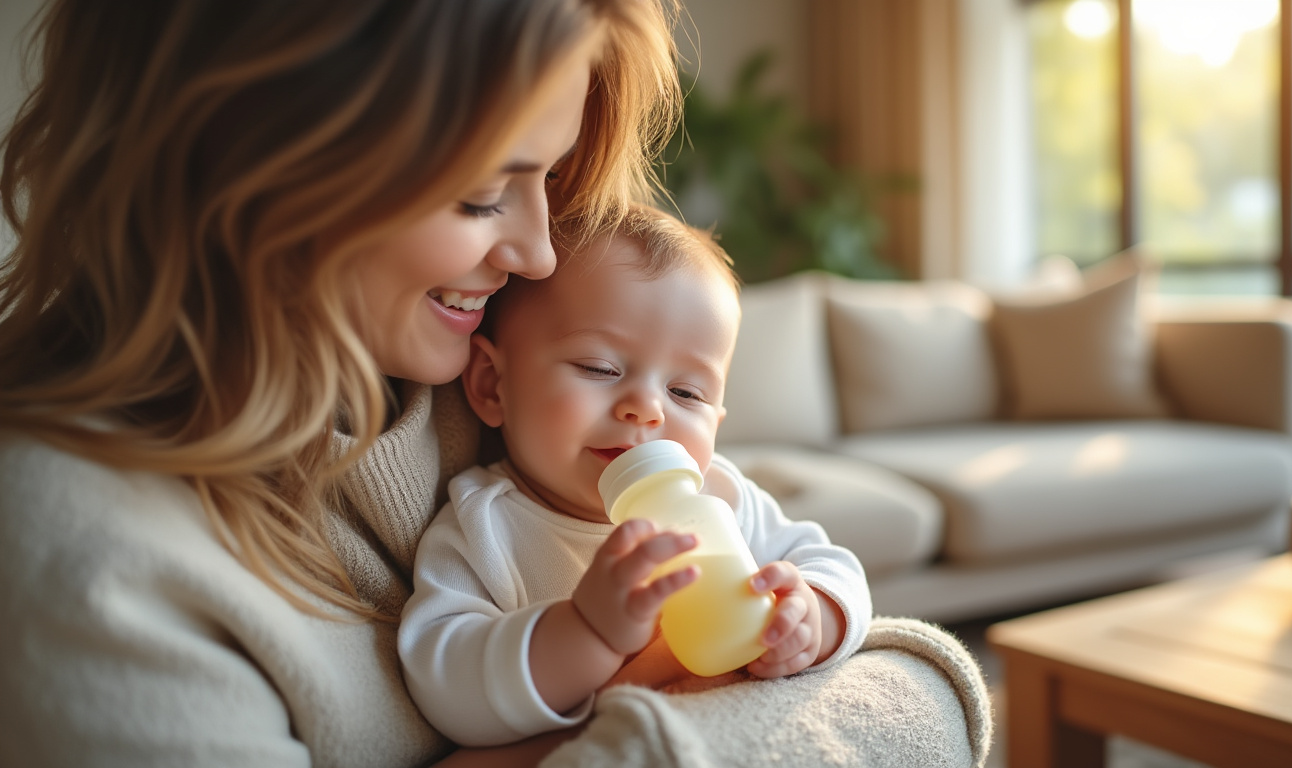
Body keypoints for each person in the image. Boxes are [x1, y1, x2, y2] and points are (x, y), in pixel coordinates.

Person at [0, 0, 685, 765]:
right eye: (483, 193)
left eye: (551, 176)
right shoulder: (87, 559)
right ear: (254, 158)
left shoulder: (498, 382)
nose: (538, 254)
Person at [398, 205, 873, 747]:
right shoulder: (486, 525)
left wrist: (813, 615)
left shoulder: (721, 495)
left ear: (716, 421)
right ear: (490, 385)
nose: (647, 409)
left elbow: (835, 566)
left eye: (686, 393)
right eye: (600, 368)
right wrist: (585, 631)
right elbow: (444, 684)